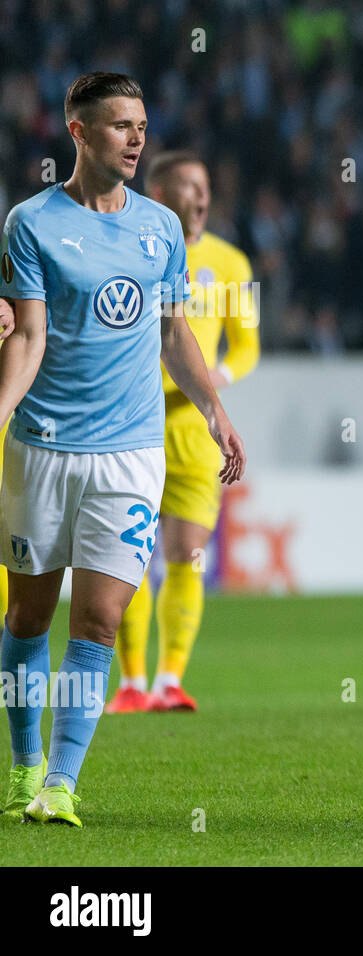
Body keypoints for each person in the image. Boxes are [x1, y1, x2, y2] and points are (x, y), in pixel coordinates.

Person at [0, 73, 246, 827]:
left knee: (99, 621)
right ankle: (23, 763)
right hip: (42, 446)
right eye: (119, 126)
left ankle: (62, 783)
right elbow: (31, 335)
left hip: (131, 452)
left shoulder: (161, 228)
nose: (137, 138)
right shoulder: (31, 223)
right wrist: (1, 408)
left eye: (141, 125)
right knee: (29, 617)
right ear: (78, 132)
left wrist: (214, 407)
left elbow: (175, 331)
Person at [106, 150, 260, 714]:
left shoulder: (229, 262)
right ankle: (131, 682)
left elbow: (246, 346)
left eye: (204, 186)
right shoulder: (128, 249)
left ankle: (170, 679)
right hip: (130, 425)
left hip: (195, 433)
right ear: (158, 195)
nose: (198, 198)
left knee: (185, 556)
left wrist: (213, 381)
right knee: (126, 557)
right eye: (185, 188)